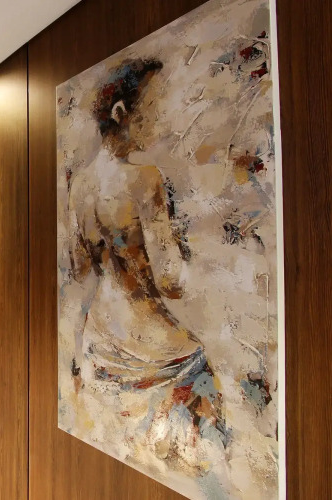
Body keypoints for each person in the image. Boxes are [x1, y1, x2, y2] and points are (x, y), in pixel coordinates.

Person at [67, 59, 226, 448]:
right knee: (208, 422)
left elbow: (80, 268)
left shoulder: (80, 186)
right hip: (150, 346)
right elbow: (171, 283)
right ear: (121, 113)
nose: (158, 121)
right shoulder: (145, 179)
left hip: (100, 339)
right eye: (153, 108)